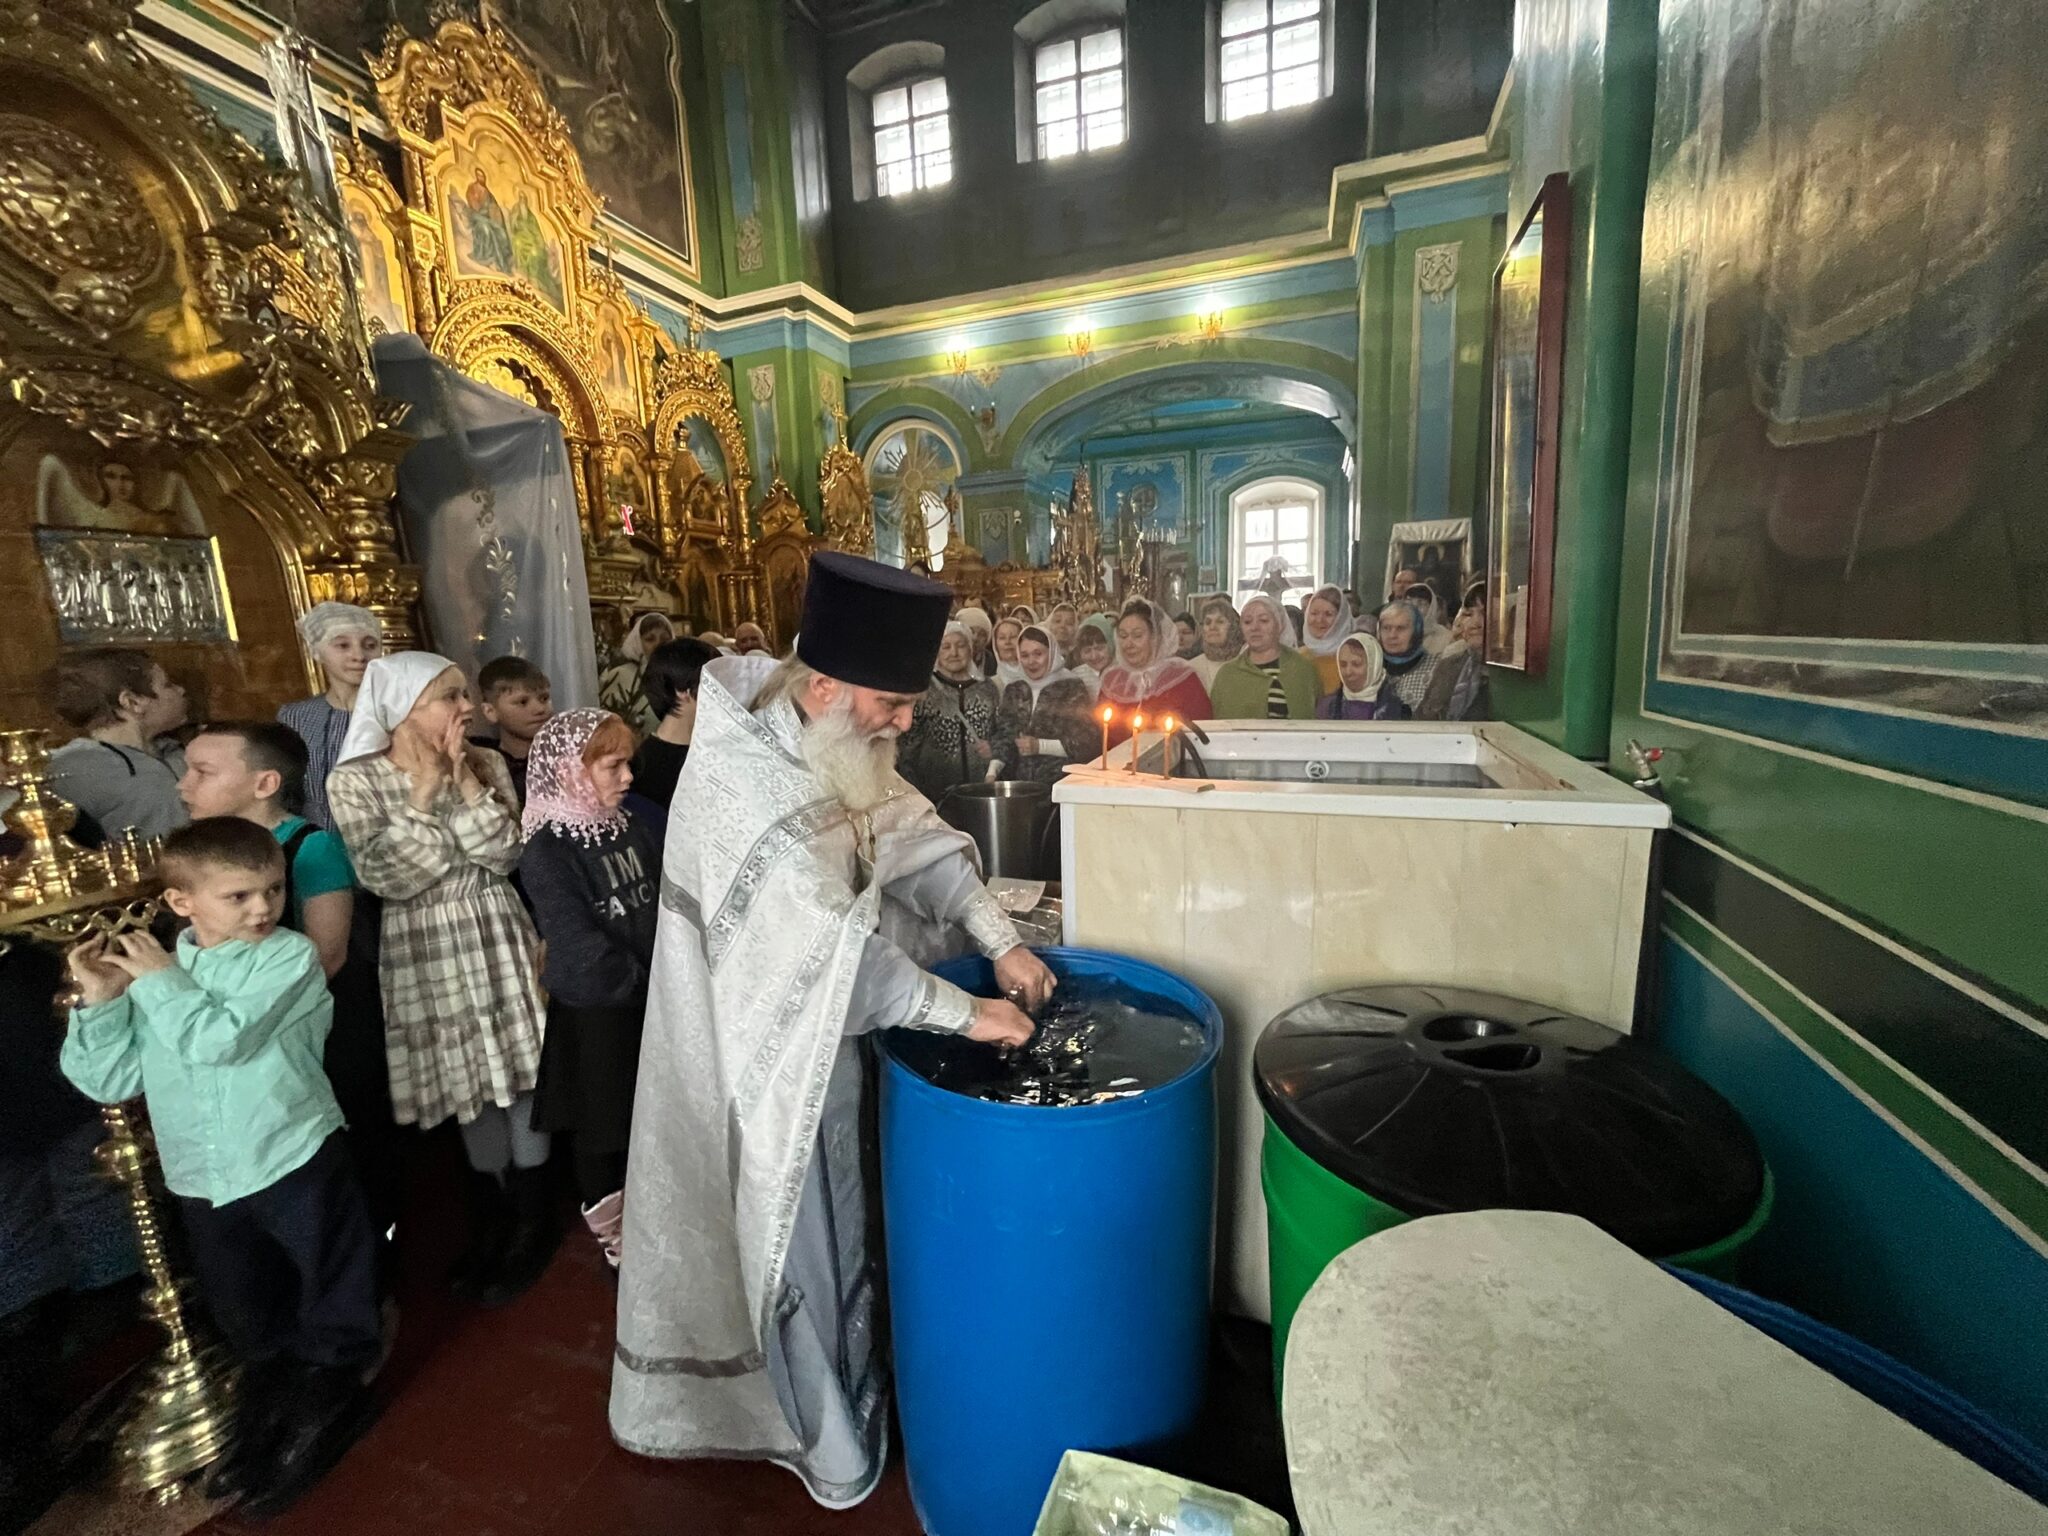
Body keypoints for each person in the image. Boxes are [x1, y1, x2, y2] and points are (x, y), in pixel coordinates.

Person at [613, 551, 1050, 1510]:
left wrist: (999, 936)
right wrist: (971, 1011)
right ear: (823, 687)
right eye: (892, 705)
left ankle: (865, 1388)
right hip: (765, 1061)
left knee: (856, 1225)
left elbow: (912, 835)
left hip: (837, 1040)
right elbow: (822, 965)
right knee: (802, 1239)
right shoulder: (742, 780)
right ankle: (826, 1439)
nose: (905, 724)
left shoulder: (831, 740)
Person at [60, 819, 378, 1514]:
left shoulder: (286, 957)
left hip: (287, 1150)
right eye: (238, 896)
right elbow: (109, 1080)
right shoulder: (159, 976)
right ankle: (270, 1393)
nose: (263, 908)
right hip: (202, 1171)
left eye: (272, 890)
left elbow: (221, 1040)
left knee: (327, 1271)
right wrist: (103, 1001)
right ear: (182, 903)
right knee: (241, 1295)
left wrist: (161, 982)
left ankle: (332, 1385)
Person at [325, 654, 554, 1308]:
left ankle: (533, 1217)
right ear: (401, 708)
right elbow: (388, 877)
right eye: (449, 696)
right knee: (465, 1080)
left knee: (518, 1073)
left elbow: (505, 854)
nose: (466, 708)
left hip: (495, 924)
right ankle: (494, 1210)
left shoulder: (484, 762)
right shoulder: (355, 779)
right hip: (421, 938)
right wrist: (424, 796)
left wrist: (465, 784)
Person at [177, 724, 400, 1266]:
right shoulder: (199, 854)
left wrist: (239, 1022)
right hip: (243, 1031)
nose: (184, 785)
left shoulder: (309, 847)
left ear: (265, 783)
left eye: (203, 772)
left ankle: (372, 1270)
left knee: (346, 1157)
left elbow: (327, 956)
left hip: (314, 1028)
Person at [518, 711, 660, 1272]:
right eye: (613, 766)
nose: (627, 777)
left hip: (647, 999)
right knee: (604, 1129)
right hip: (599, 1010)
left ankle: (657, 1224)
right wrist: (648, 981)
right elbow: (576, 943)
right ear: (569, 772)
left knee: (647, 1117)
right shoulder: (548, 847)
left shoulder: (628, 824)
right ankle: (617, 1243)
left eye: (628, 763)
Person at [47, 647, 190, 840]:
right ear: (132, 702)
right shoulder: (75, 770)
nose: (181, 690)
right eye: (168, 685)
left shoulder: (176, 750)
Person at [277, 602, 383, 830]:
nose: (359, 656)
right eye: (343, 645)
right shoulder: (295, 717)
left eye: (370, 645)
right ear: (316, 651)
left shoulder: (396, 711)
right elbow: (288, 791)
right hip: (316, 841)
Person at [898, 622, 1002, 803]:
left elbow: (1002, 733)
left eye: (961, 646)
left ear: (970, 649)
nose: (954, 653)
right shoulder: (923, 691)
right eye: (945, 647)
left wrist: (994, 749)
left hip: (983, 791)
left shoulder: (987, 689)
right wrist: (914, 792)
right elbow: (907, 747)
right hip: (934, 794)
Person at [1098, 599, 1211, 745]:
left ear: (1155, 637)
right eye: (1123, 636)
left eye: (1137, 636)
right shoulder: (1112, 680)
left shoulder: (1181, 676)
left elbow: (1200, 731)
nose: (1128, 644)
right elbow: (1100, 733)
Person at [993, 624, 1095, 782]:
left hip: (1061, 781)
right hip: (1018, 784)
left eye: (1038, 654)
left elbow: (1086, 742)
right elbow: (1005, 735)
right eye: (1025, 655)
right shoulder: (1015, 689)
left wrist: (1040, 746)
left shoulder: (1072, 687)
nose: (1031, 661)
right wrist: (993, 770)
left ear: (1052, 653)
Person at [632, 637, 719, 814]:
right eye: (714, 683)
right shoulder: (642, 767)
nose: (723, 694)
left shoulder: (714, 750)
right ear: (682, 690)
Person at [1207, 593, 1319, 720]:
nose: (1254, 628)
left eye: (1264, 620)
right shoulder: (1228, 675)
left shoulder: (1302, 669)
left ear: (1280, 625)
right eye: (1247, 622)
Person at [473, 656, 554, 808]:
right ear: (490, 711)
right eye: (523, 702)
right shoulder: (483, 765)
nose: (540, 709)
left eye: (544, 698)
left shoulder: (566, 759)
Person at [600, 612, 674, 732]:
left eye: (665, 639)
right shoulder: (620, 675)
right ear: (637, 643)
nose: (658, 644)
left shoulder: (676, 676)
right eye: (650, 639)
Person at [1417, 602, 1491, 721]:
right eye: (1468, 614)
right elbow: (1422, 717)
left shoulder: (1507, 674)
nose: (1475, 624)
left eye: (1485, 613)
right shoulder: (1448, 664)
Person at [1317, 634, 1409, 721]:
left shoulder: (1398, 709)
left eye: (1356, 664)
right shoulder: (1326, 707)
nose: (1348, 672)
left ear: (1374, 665)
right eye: (1343, 665)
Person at [1377, 600, 1442, 712]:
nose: (1392, 635)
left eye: (1401, 628)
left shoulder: (1438, 669)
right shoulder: (1370, 667)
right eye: (1386, 628)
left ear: (1416, 631)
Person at [1299, 584, 1358, 695]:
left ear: (1341, 619)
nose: (1319, 620)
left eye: (1328, 614)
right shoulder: (1298, 657)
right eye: (1314, 613)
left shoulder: (1354, 656)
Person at [1189, 596, 1244, 692]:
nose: (1212, 627)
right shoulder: (1192, 667)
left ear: (1233, 627)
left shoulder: (1247, 661)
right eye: (1207, 622)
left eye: (1220, 622)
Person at [1071, 612, 1114, 697]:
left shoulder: (1122, 673)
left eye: (1099, 648)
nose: (1094, 656)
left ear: (1111, 645)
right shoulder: (1076, 677)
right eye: (1087, 651)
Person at [955, 605, 996, 678]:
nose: (975, 638)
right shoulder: (945, 658)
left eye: (982, 634)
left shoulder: (992, 662)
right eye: (971, 631)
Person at [991, 616, 1027, 690]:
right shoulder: (991, 685)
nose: (1007, 642)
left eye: (1013, 637)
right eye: (1002, 638)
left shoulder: (1038, 678)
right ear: (995, 644)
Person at [1045, 602, 1083, 666]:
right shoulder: (1041, 655)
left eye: (1069, 623)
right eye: (1057, 621)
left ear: (1075, 628)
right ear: (1049, 624)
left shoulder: (1080, 658)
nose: (1062, 626)